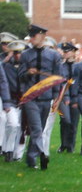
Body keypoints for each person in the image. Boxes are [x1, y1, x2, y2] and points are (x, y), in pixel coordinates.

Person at [19, 23, 63, 170]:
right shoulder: (25, 55)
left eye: (34, 36)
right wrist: (27, 73)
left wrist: (57, 97)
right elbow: (20, 77)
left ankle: (31, 159)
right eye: (30, 36)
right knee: (37, 129)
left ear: (42, 36)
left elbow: (58, 78)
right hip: (31, 99)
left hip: (46, 98)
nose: (31, 39)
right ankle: (43, 154)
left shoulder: (54, 55)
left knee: (39, 129)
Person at [2, 40, 24, 162]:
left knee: (22, 128)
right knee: (12, 124)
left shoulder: (27, 67)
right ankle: (8, 150)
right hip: (10, 100)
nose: (17, 55)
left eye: (20, 53)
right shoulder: (6, 66)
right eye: (15, 53)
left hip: (24, 100)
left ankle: (17, 153)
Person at [57, 43, 79, 153]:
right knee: (65, 120)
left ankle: (71, 146)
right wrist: (65, 97)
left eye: (68, 51)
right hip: (62, 98)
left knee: (74, 122)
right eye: (64, 51)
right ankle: (63, 144)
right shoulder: (60, 67)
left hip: (76, 98)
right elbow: (60, 83)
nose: (65, 53)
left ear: (74, 52)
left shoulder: (78, 67)